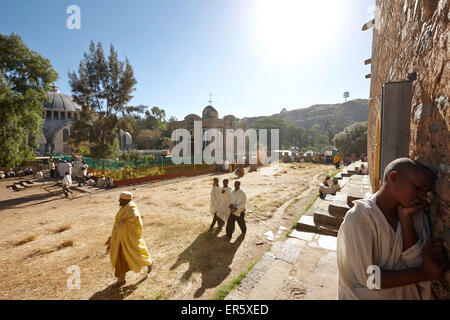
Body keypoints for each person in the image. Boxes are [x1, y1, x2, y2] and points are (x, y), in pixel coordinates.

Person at [337, 158, 448, 300]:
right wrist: (423, 273)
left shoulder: (416, 215)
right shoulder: (360, 217)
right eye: (418, 187)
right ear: (393, 178)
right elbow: (370, 279)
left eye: (427, 192)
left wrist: (406, 219)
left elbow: (416, 262)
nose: (423, 196)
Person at [106, 192, 152, 287]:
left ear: (127, 200)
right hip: (120, 239)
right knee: (119, 259)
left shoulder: (132, 210)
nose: (119, 201)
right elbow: (117, 224)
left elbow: (137, 224)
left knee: (136, 255)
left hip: (129, 240)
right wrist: (112, 236)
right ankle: (121, 279)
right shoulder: (124, 207)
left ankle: (149, 262)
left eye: (121, 199)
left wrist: (125, 221)